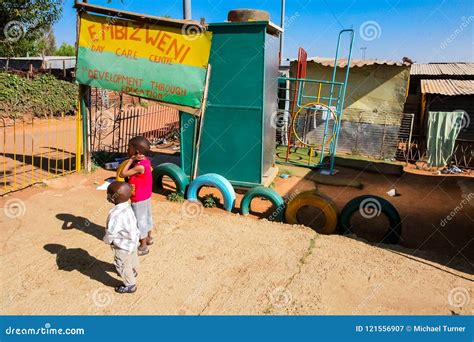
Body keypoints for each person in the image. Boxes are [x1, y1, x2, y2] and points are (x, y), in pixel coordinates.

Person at [119, 136, 154, 256]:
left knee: (139, 221)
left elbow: (122, 173)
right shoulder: (146, 162)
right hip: (146, 196)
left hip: (138, 198)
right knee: (147, 217)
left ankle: (143, 246)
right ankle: (149, 238)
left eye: (129, 148)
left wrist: (129, 160)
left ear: (136, 152)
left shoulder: (139, 167)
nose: (127, 150)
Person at [104, 181, 140, 294]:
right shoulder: (127, 207)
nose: (107, 196)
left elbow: (111, 232)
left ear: (113, 199)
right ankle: (133, 270)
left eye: (108, 194)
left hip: (123, 246)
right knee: (132, 258)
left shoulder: (115, 214)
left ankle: (130, 285)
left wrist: (107, 240)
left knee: (121, 264)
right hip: (133, 242)